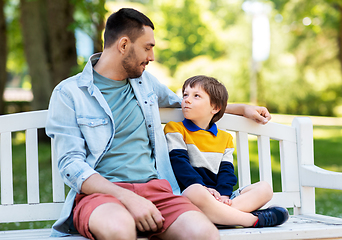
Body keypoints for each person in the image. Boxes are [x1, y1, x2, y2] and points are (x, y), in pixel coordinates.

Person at [46, 8, 272, 240]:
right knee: (119, 230)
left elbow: (181, 104)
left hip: (157, 192)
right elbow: (70, 165)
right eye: (147, 47)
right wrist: (127, 197)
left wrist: (241, 108)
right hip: (102, 196)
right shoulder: (70, 93)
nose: (152, 57)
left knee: (205, 234)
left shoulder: (145, 83)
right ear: (123, 45)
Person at [164, 75, 289, 228]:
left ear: (215, 108)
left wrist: (223, 195)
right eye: (185, 95)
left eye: (196, 96)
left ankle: (219, 216)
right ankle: (250, 219)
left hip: (221, 198)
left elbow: (226, 172)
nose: (187, 100)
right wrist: (204, 189)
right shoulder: (175, 129)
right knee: (195, 191)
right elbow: (180, 164)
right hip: (192, 195)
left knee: (265, 189)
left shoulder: (225, 138)